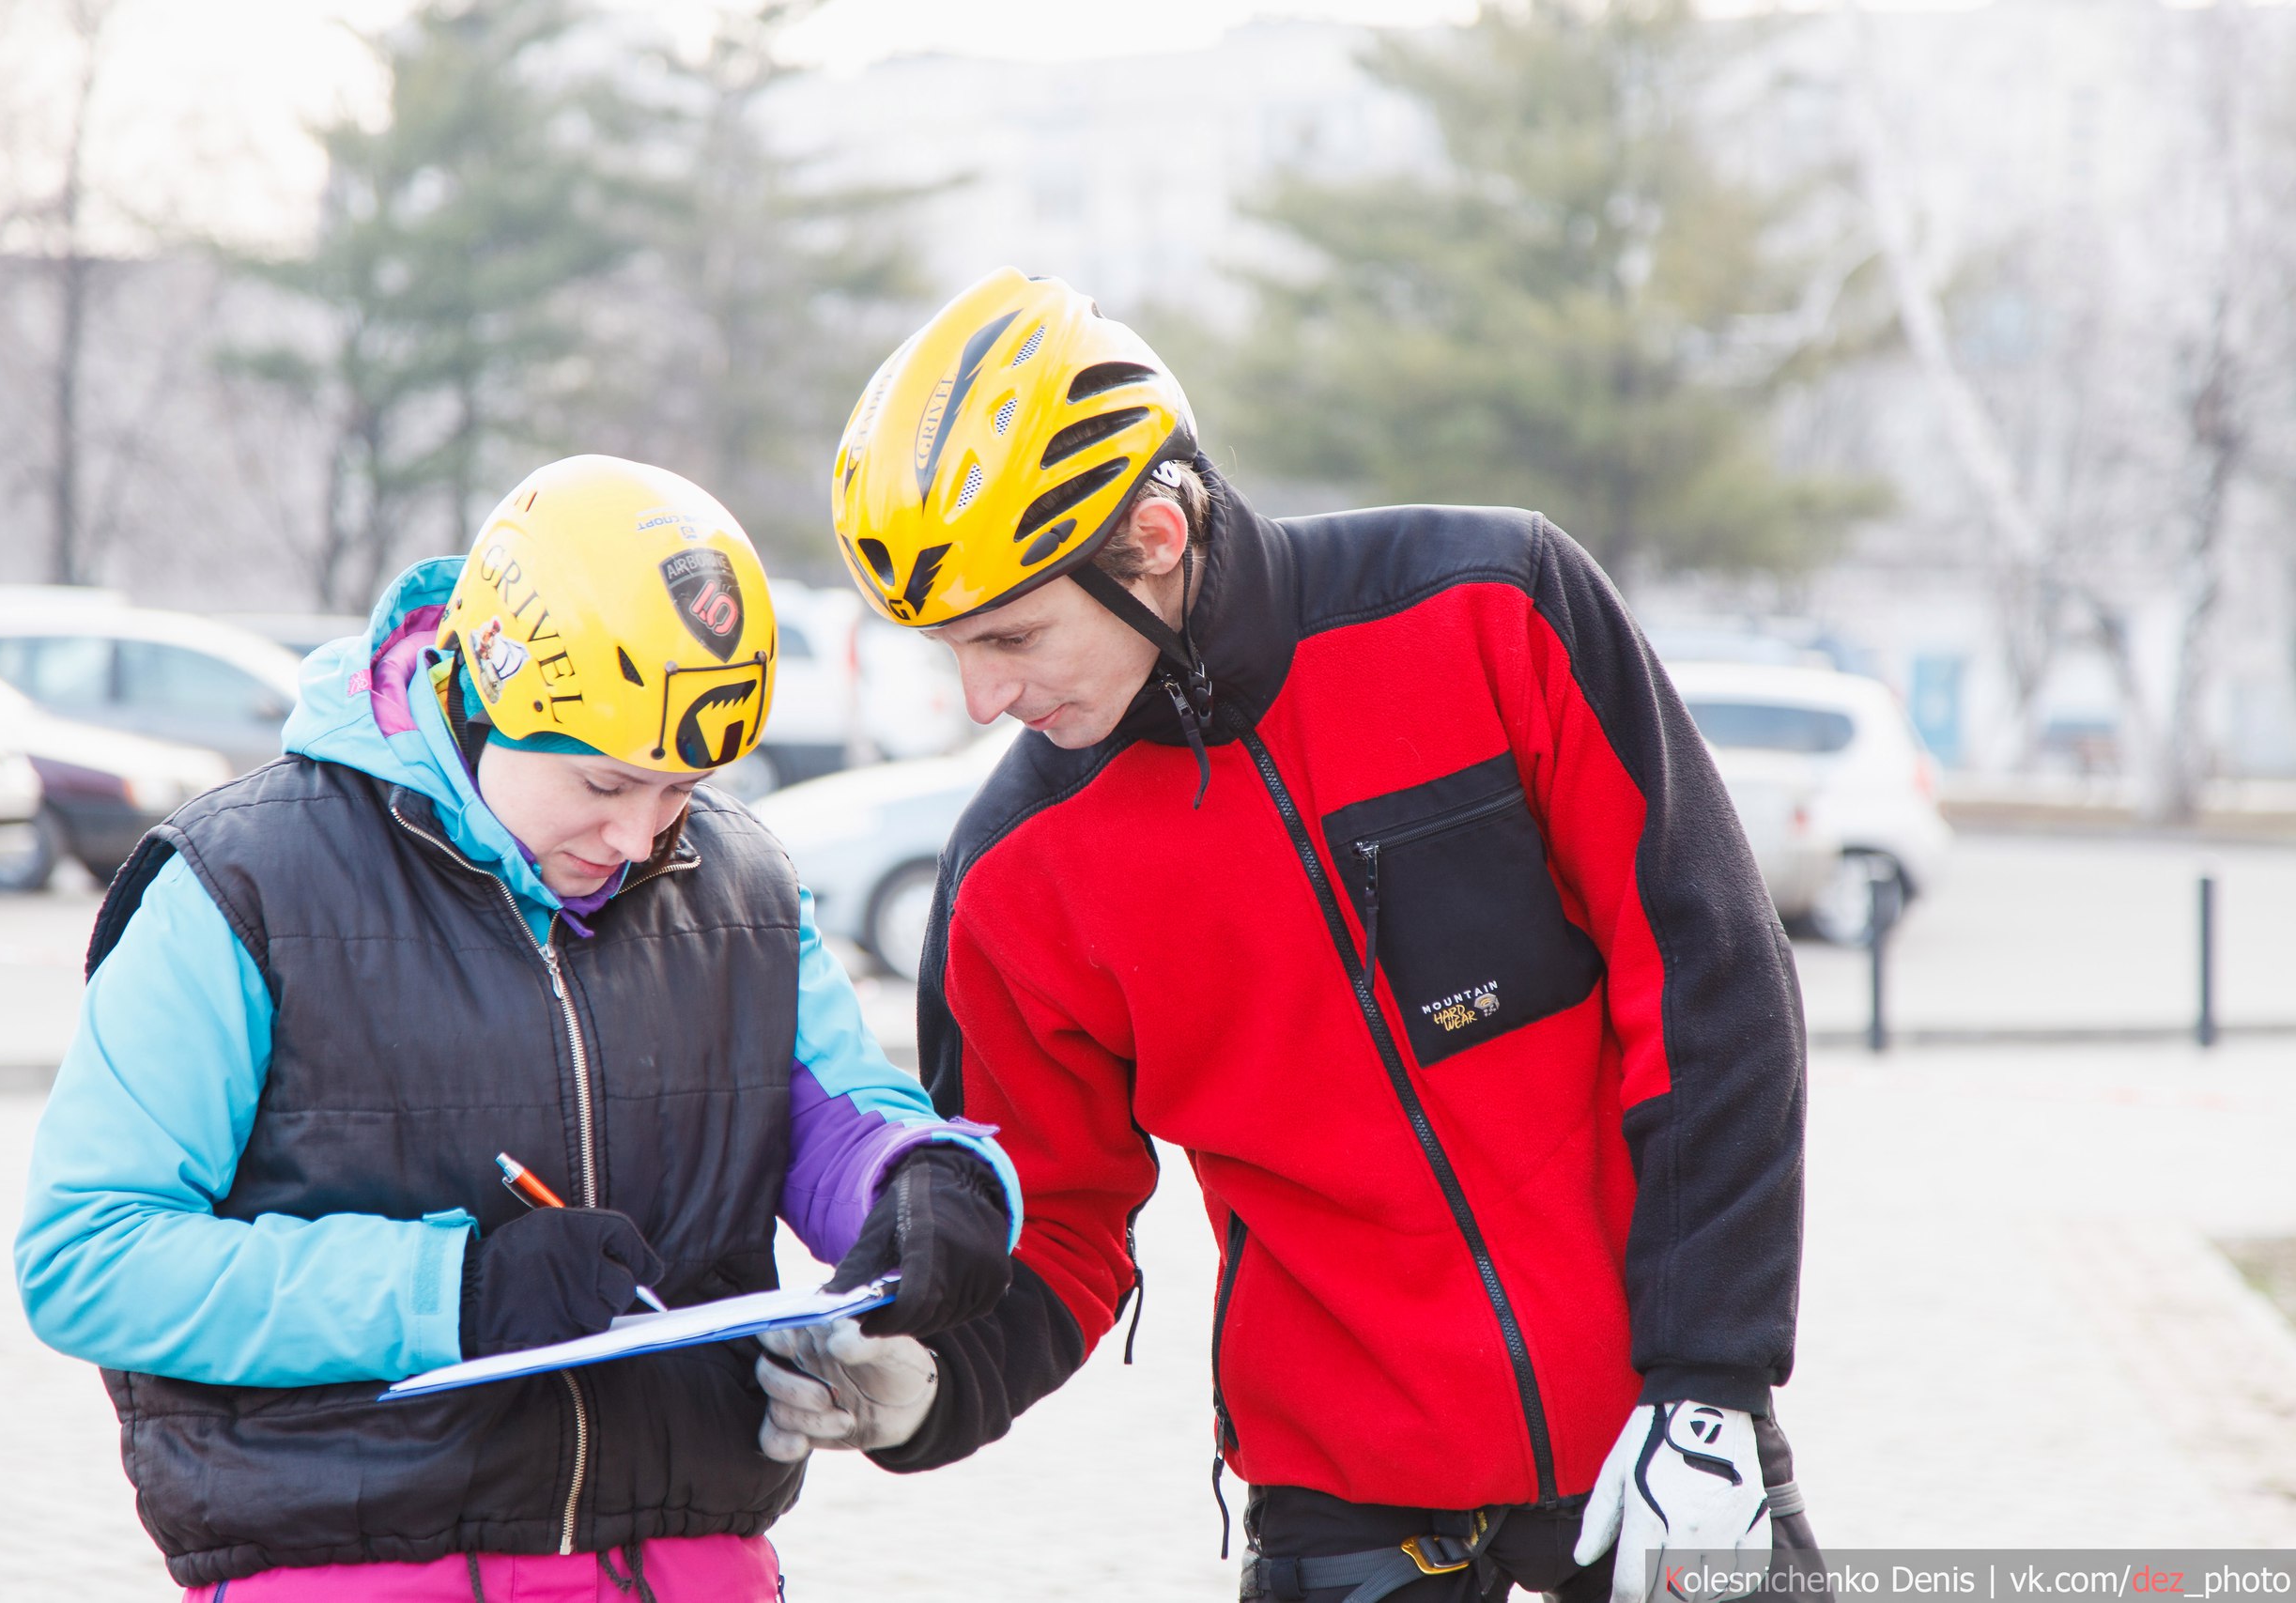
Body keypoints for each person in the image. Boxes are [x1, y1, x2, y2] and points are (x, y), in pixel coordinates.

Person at [756, 270, 1821, 1603]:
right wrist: (929, 1385)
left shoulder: (1495, 605)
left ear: (1153, 532)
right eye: (948, 649)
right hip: (1343, 1504)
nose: (981, 695)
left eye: (1012, 634)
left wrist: (1713, 1378)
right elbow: (1054, 1221)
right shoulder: (1007, 876)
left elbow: (1712, 982)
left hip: (1658, 1435)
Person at [13, 455, 1022, 1601]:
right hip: (354, 1565)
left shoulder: (737, 881)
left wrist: (925, 1186)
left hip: (684, 1558)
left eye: (680, 791)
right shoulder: (245, 882)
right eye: (602, 785)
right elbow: (88, 1258)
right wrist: (455, 1293)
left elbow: (838, 1118)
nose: (641, 838)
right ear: (486, 697)